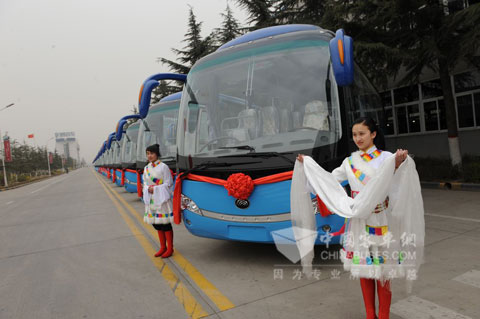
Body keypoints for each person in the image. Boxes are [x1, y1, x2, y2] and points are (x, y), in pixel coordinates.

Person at [294, 117, 424, 319]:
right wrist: (309, 167)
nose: (358, 138)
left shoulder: (387, 157)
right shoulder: (349, 162)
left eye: (362, 133)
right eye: (354, 134)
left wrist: (400, 163)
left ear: (373, 134)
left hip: (381, 220)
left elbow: (399, 182)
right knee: (364, 269)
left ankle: (383, 315)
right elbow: (329, 180)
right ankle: (370, 315)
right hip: (358, 222)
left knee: (383, 270)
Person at [143, 144, 174, 258]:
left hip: (161, 199)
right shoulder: (146, 168)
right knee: (156, 224)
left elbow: (168, 183)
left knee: (165, 224)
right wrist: (147, 189)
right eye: (147, 153)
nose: (149, 156)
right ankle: (162, 247)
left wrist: (155, 188)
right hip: (151, 199)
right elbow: (145, 183)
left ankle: (170, 248)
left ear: (157, 154)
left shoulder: (163, 167)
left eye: (151, 153)